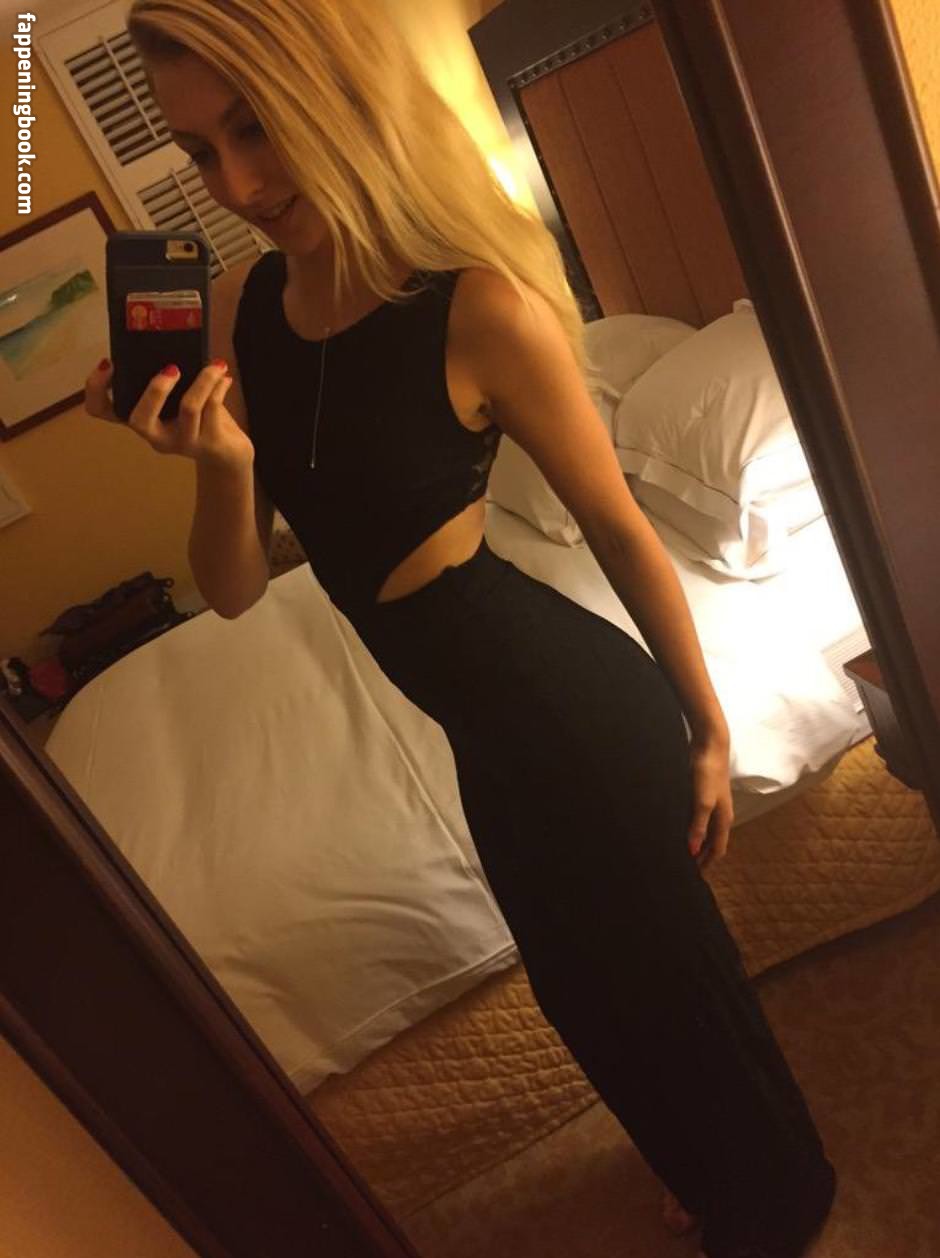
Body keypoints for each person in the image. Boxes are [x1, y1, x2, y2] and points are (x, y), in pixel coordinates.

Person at [84, 2, 837, 1254]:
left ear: (332, 95)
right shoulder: (247, 310)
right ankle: (708, 1169)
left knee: (668, 983)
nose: (237, 186)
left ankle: (780, 1200)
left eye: (256, 128)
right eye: (201, 151)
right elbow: (233, 588)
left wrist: (706, 728)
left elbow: (619, 530)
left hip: (573, 714)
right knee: (584, 994)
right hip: (489, 732)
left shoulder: (477, 309)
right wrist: (216, 464)